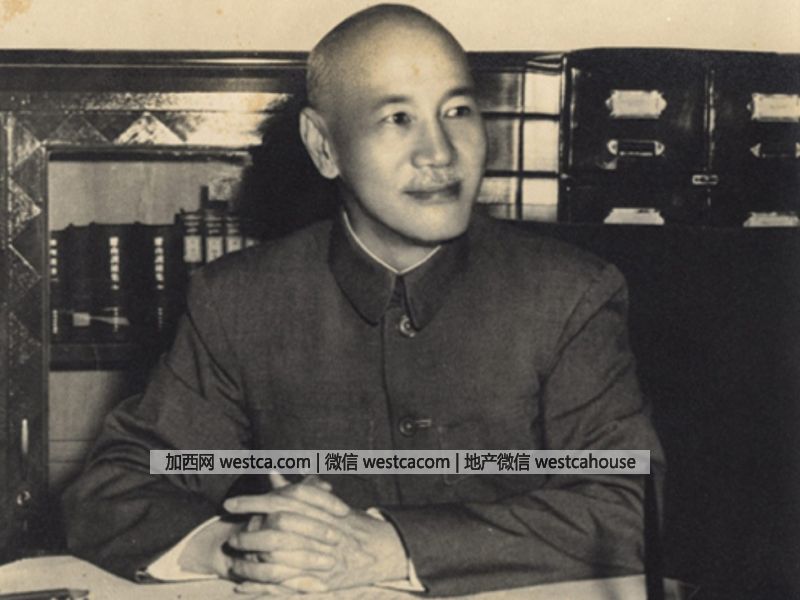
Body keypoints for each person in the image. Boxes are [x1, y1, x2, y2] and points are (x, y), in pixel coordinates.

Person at [63, 4, 665, 596]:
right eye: (398, 118)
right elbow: (117, 487)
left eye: (457, 111)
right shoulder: (239, 301)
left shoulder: (568, 294)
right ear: (324, 146)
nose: (440, 152)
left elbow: (630, 499)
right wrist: (240, 544)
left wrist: (393, 547)